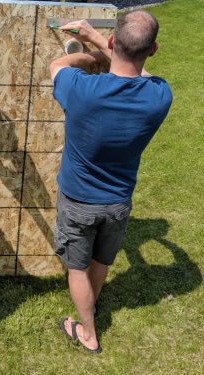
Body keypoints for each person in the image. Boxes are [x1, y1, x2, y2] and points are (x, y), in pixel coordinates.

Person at [49, 10, 173, 353]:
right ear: (154, 49)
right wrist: (101, 42)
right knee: (100, 262)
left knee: (76, 269)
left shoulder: (82, 89)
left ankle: (87, 332)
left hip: (77, 200)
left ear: (114, 41)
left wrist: (87, 50)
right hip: (118, 202)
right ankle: (92, 305)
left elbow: (57, 66)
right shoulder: (160, 96)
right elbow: (141, 74)